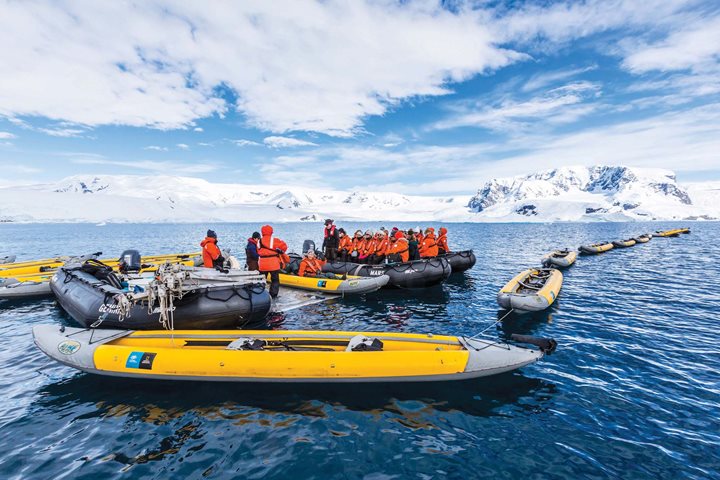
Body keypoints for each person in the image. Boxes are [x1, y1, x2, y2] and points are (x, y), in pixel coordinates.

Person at [257, 225, 288, 299]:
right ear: (271, 232)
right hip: (273, 263)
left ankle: (259, 294)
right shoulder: (274, 240)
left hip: (262, 264)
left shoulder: (259, 241)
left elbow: (258, 251)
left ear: (262, 232)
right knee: (275, 280)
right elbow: (284, 246)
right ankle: (273, 296)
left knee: (261, 280)